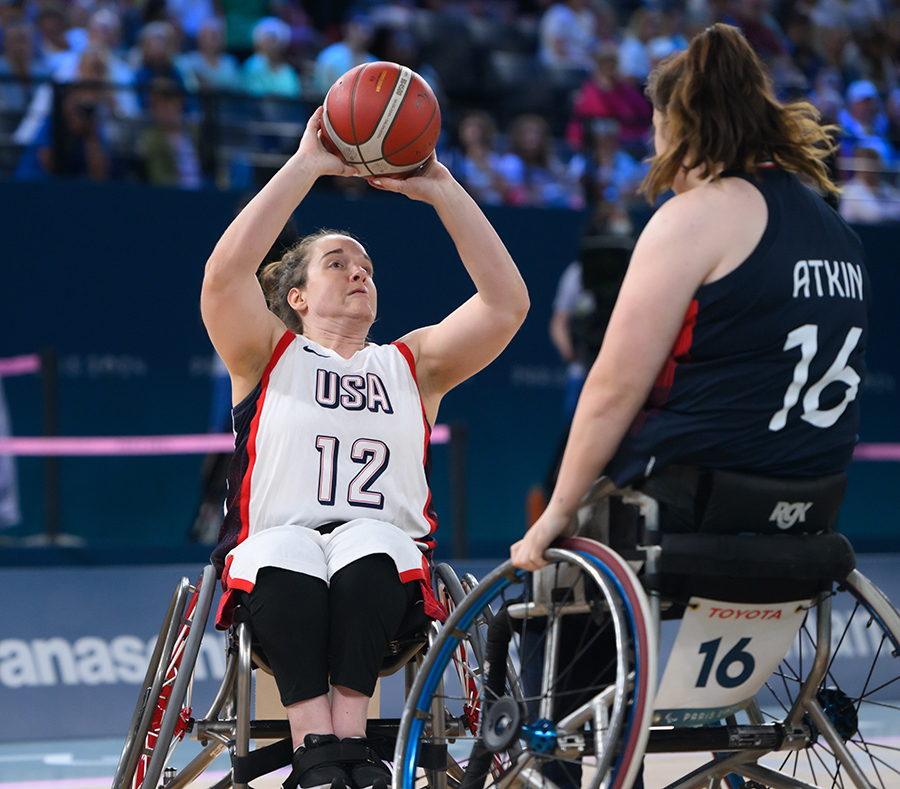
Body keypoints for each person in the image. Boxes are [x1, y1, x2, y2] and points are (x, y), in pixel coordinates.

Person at [202, 106, 528, 788]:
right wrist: (305, 166)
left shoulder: (412, 363)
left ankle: (349, 745)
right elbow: (224, 277)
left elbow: (506, 304)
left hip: (389, 581)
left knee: (368, 543)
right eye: (337, 262)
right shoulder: (266, 351)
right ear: (295, 294)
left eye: (368, 266)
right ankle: (315, 745)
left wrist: (442, 186)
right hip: (274, 565)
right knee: (288, 547)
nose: (359, 272)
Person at [512, 23, 868, 571]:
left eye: (656, 129)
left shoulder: (694, 216)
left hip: (699, 491)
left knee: (557, 576)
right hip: (817, 493)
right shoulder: (835, 228)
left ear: (676, 125)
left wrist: (558, 509)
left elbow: (613, 386)